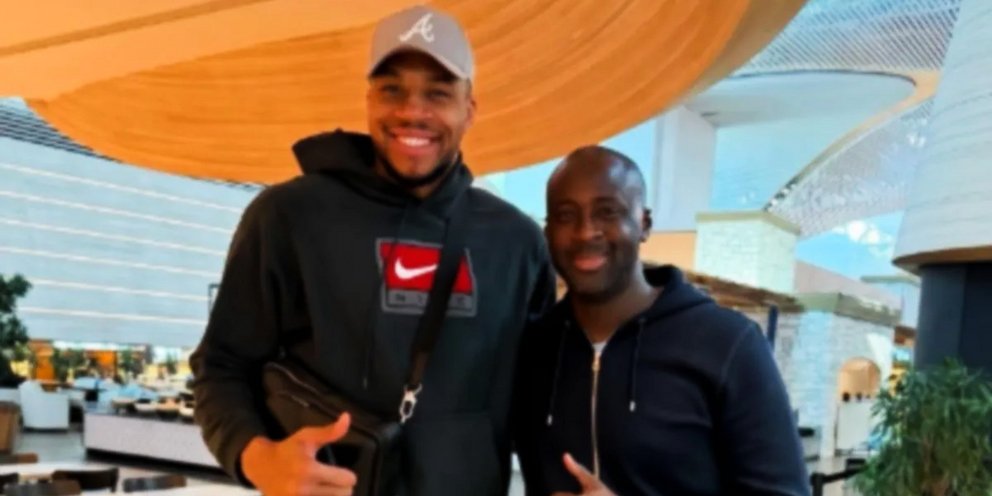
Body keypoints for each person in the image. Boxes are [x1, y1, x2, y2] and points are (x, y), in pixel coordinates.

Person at [190, 5, 556, 495]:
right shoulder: (290, 216)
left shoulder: (516, 242)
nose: (412, 112)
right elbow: (221, 368)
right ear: (368, 101)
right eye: (392, 90)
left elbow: (538, 402)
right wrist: (259, 459)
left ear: (469, 109)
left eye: (438, 93)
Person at [513, 146, 809, 495]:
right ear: (547, 232)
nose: (585, 232)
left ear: (644, 224)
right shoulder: (533, 348)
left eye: (607, 212)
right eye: (565, 215)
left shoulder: (727, 343)